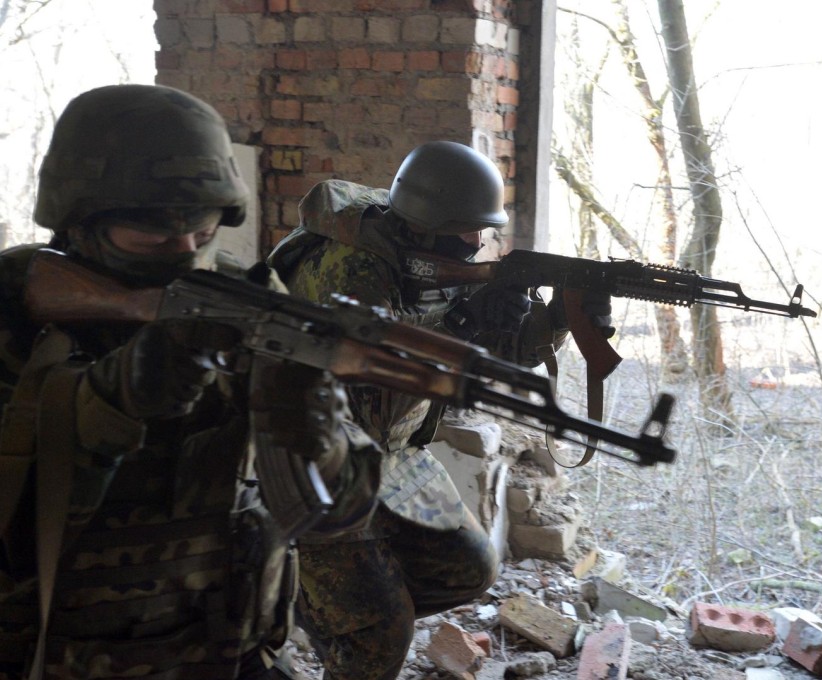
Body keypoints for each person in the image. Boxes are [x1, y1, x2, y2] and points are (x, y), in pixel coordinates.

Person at [0, 83, 381, 680]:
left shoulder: (251, 300)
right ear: (78, 222)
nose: (183, 254)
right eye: (152, 238)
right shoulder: (16, 310)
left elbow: (340, 516)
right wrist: (113, 400)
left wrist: (321, 443)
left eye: (202, 234)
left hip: (232, 652)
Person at [267, 140, 614, 680]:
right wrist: (464, 321)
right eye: (465, 230)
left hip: (392, 455)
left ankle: (327, 606)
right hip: (317, 457)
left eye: (482, 230)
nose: (476, 243)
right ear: (424, 224)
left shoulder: (438, 262)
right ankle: (315, 605)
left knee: (469, 568)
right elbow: (371, 385)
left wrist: (561, 318)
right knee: (381, 635)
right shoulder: (351, 270)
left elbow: (507, 349)